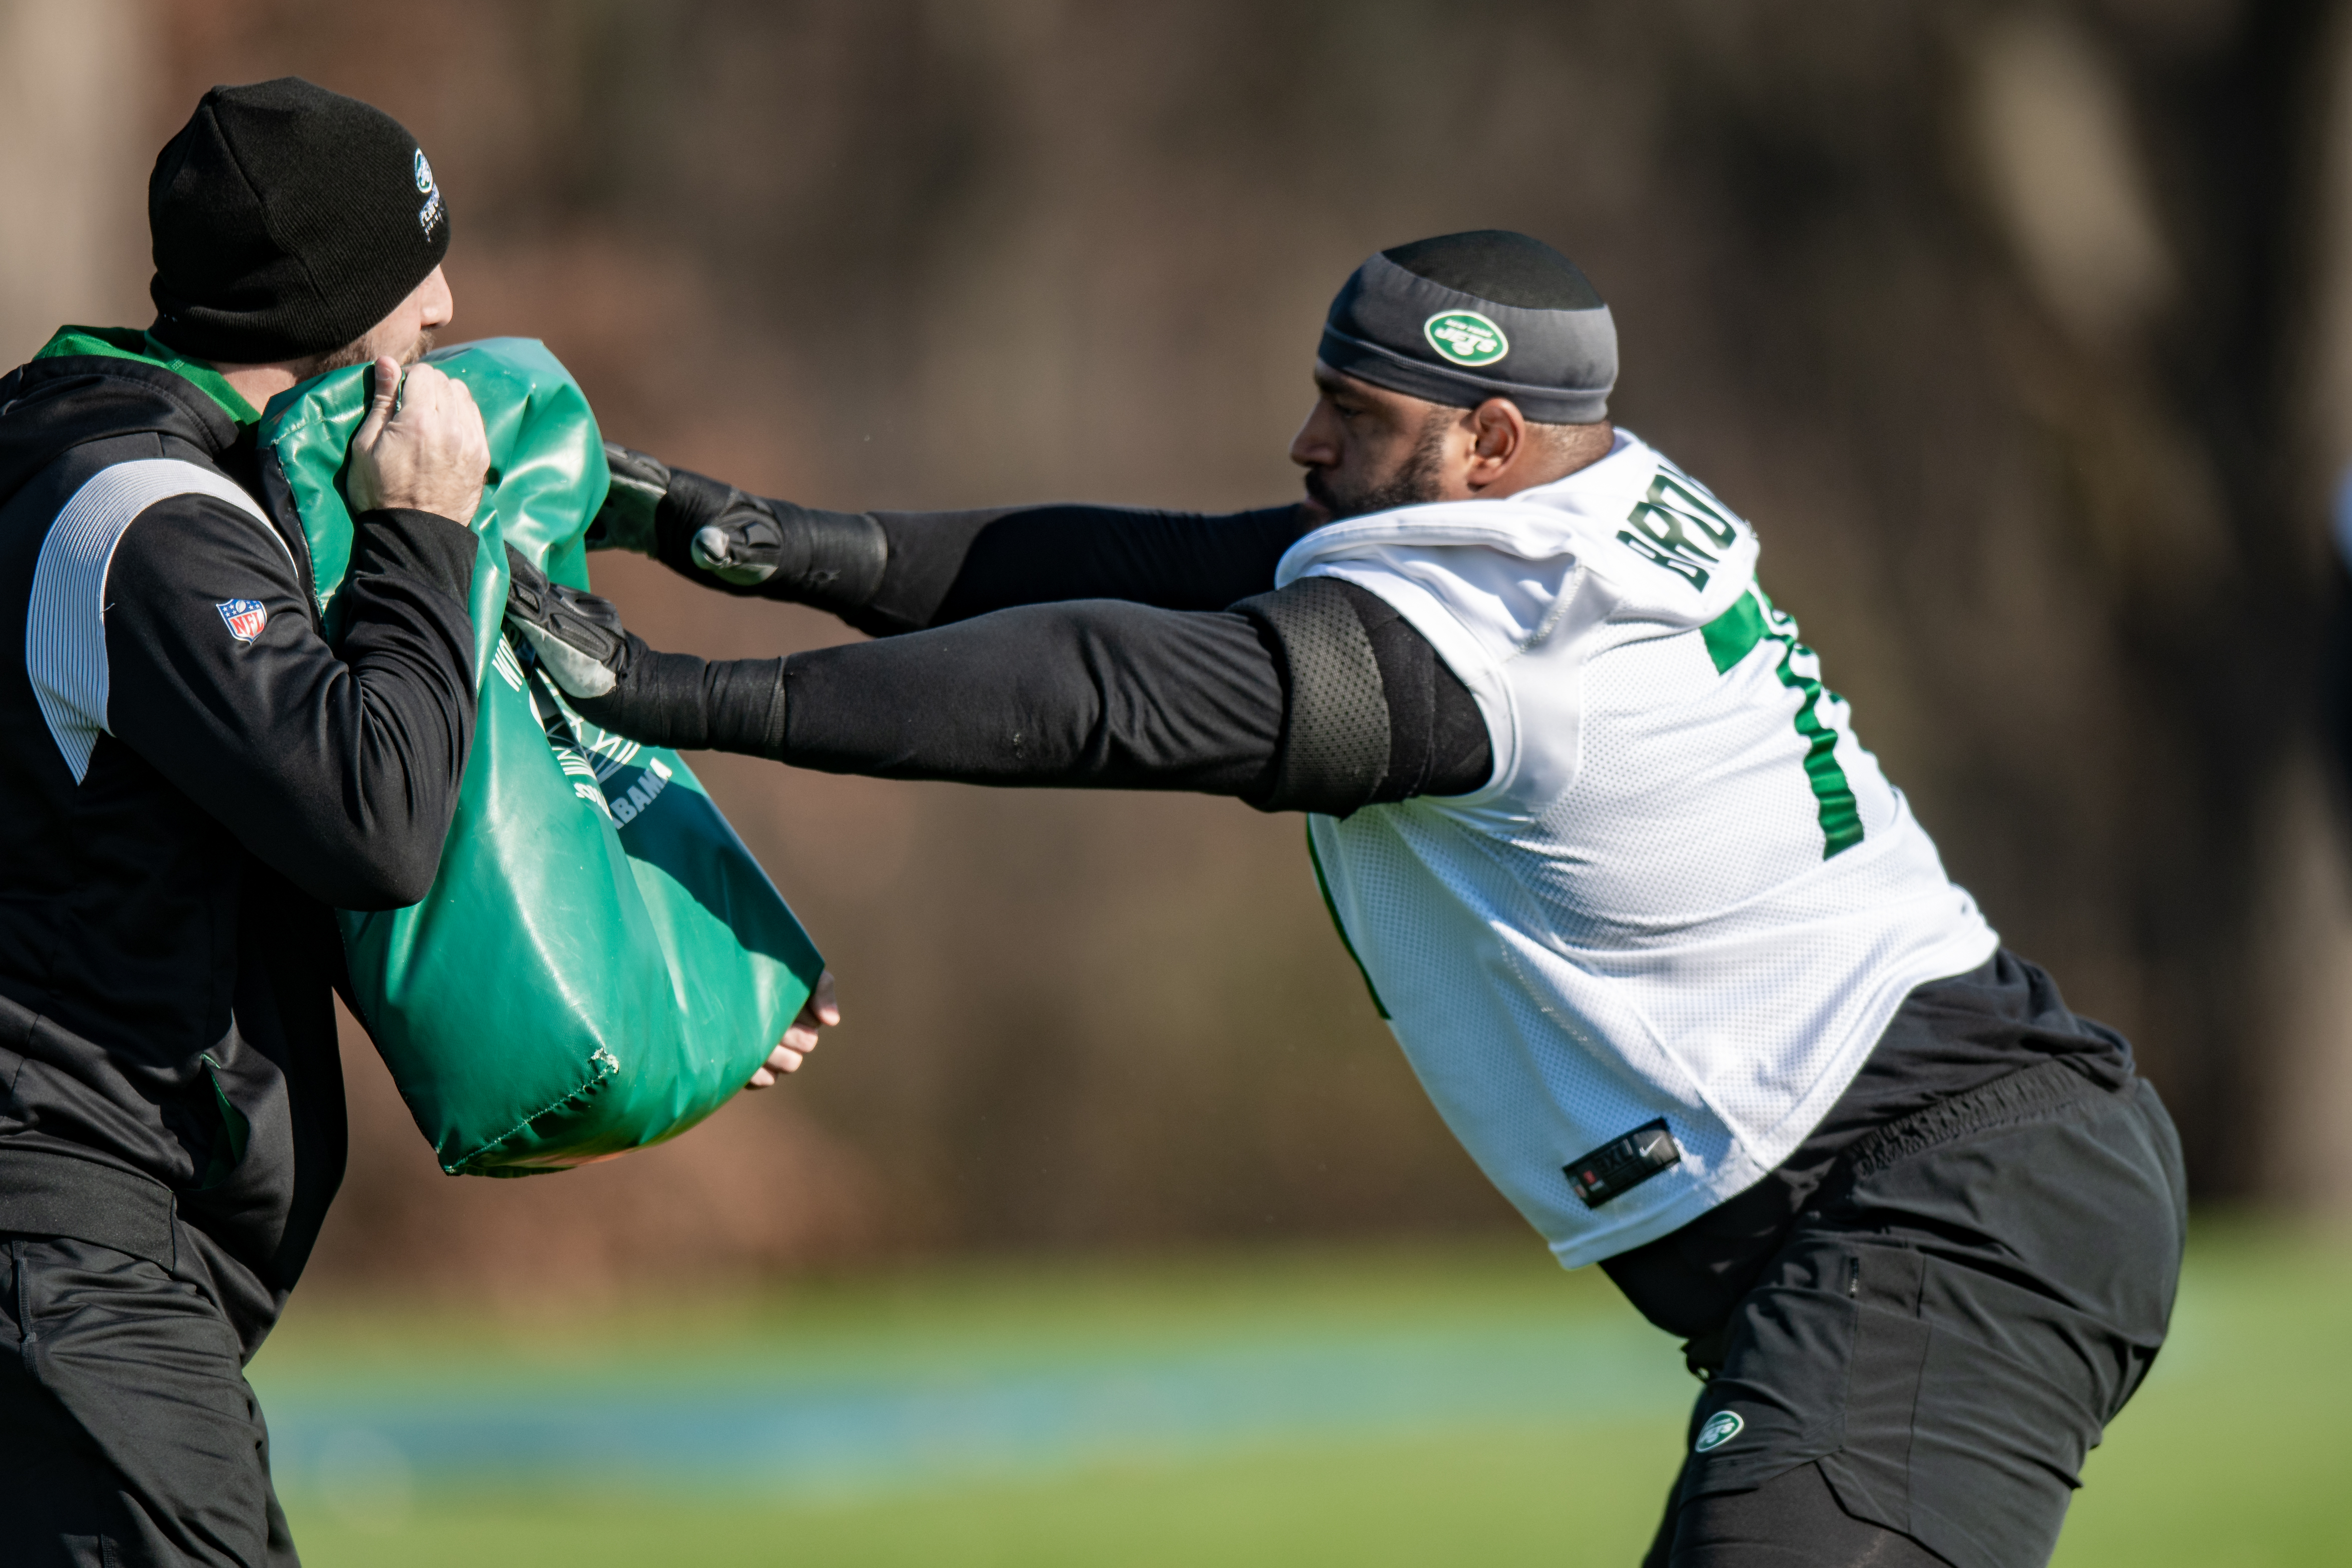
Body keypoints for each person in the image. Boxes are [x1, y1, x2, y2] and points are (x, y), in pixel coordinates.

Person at [517, 230, 2185, 1568]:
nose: (1307, 443)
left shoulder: (1509, 640)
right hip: (1941, 1185)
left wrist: (681, 695)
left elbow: (1113, 691)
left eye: (1355, 415)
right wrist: (778, 543)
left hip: (1932, 1217)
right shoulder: (1556, 521)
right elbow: (1157, 565)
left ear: (1489, 439)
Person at [0, 78, 824, 1568]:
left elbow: (371, 814)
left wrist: (666, 974)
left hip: (117, 1264)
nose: (443, 305)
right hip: (65, 1245)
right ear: (310, 300)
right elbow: (375, 818)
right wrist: (422, 537)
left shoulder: (176, 486)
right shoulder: (136, 517)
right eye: (407, 272)